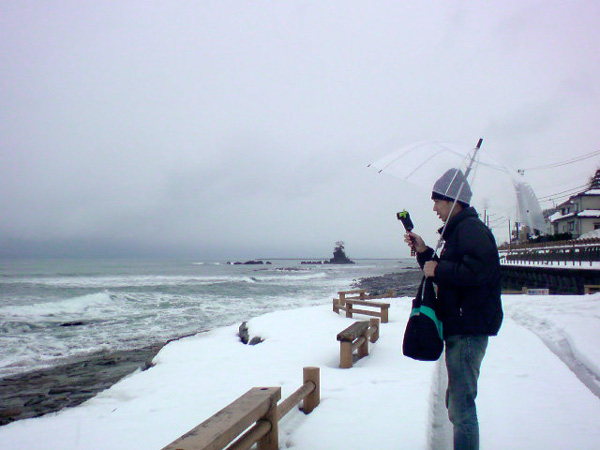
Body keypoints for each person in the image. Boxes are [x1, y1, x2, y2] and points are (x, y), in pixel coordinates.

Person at [404, 168, 503, 450]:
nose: (434, 207)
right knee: (457, 403)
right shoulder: (460, 231)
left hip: (469, 329)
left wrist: (440, 268)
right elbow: (447, 270)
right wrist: (424, 251)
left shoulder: (471, 229)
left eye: (437, 201)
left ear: (452, 200)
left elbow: (480, 271)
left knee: (461, 408)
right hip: (461, 326)